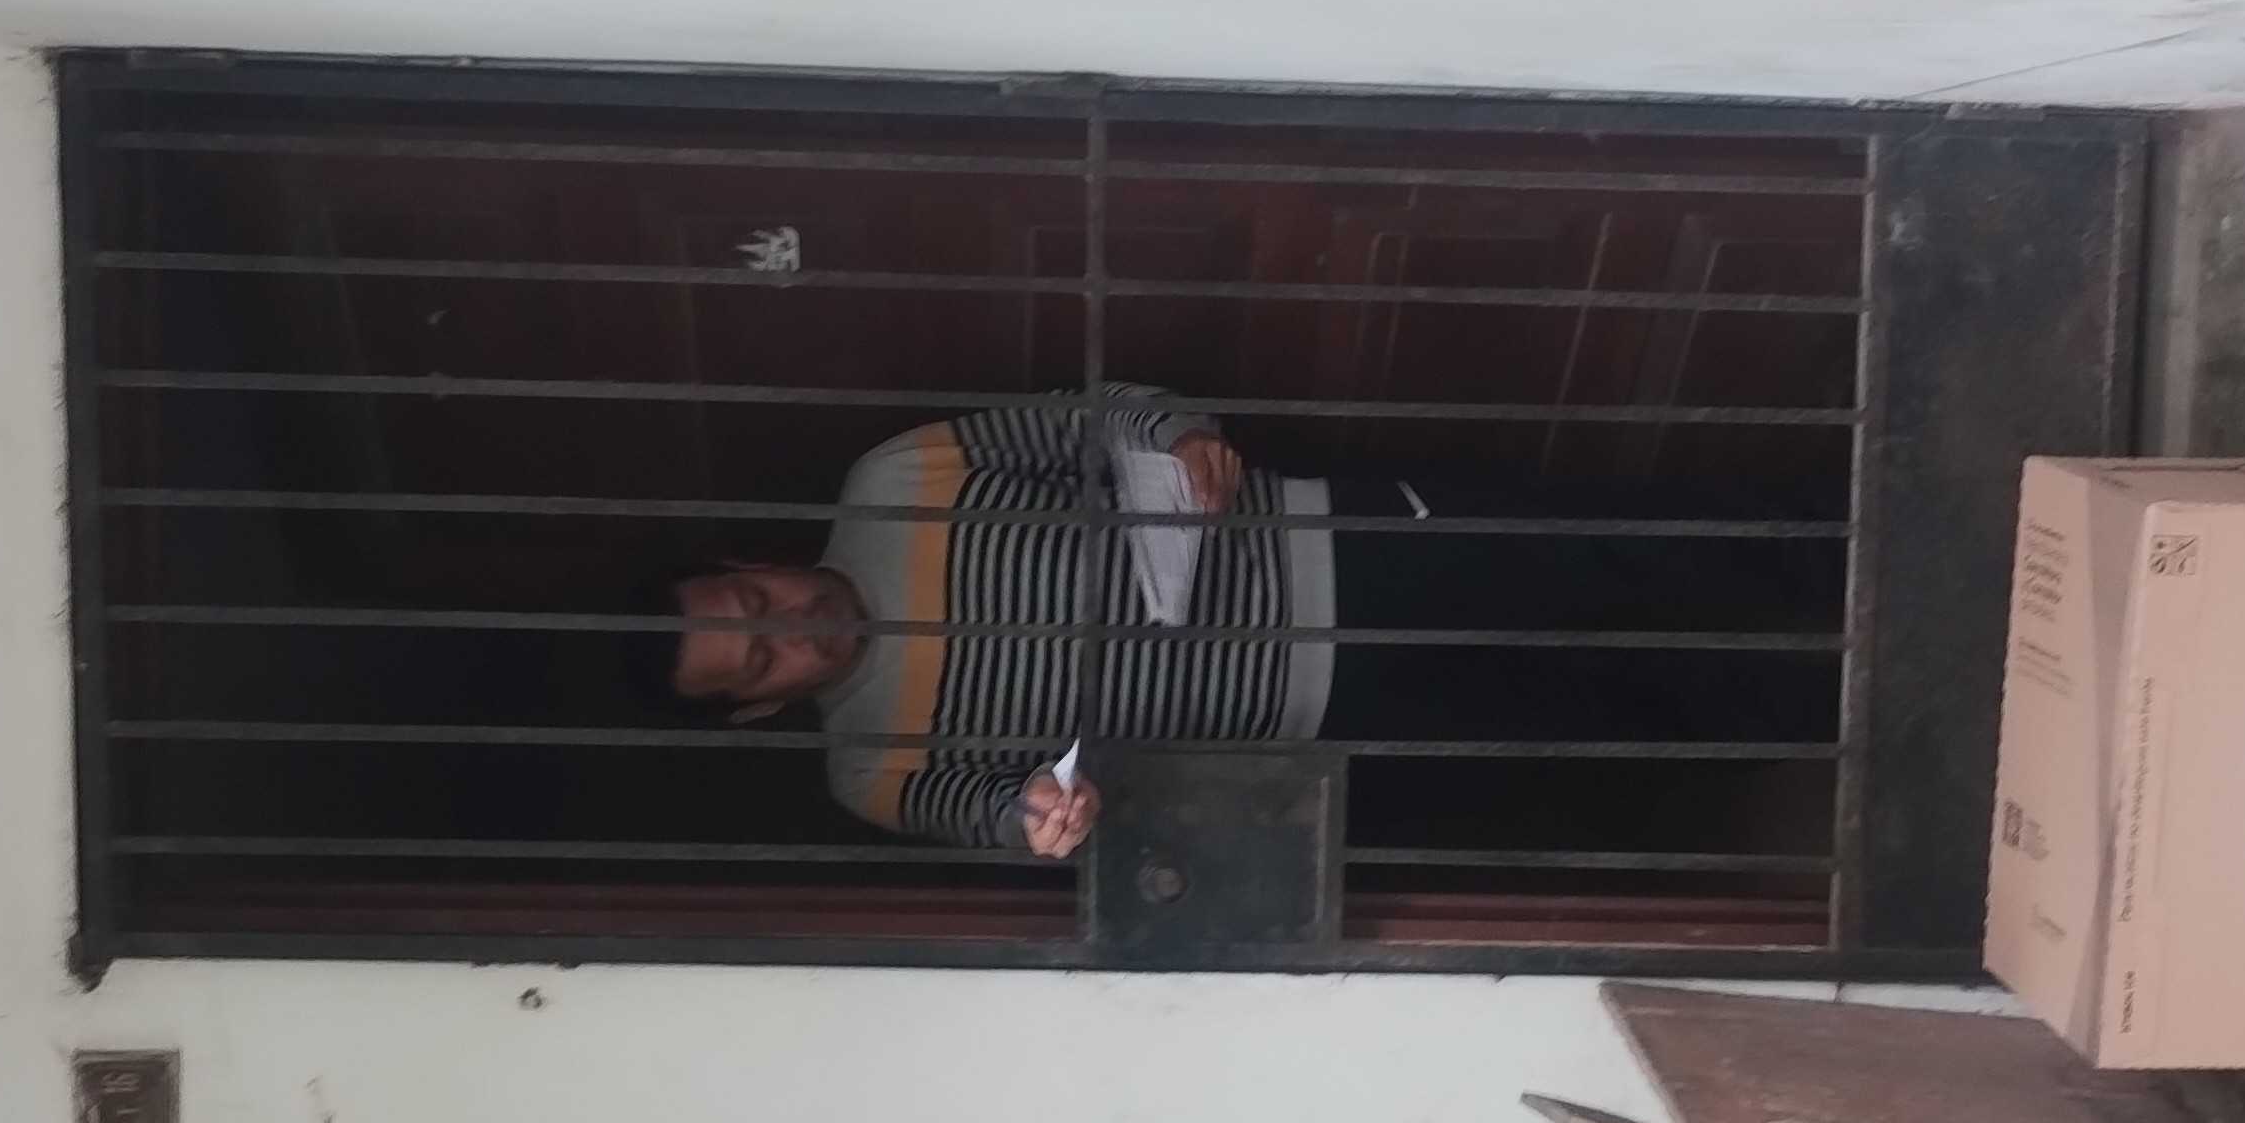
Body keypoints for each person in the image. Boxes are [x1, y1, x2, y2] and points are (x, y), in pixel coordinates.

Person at [650, 386, 1814, 858]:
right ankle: (1829, 707)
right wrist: (1044, 817)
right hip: (1323, 717)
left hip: (1343, 543)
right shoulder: (869, 771)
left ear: (754, 564)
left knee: (1626, 548)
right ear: (756, 706)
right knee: (1607, 717)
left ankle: (1837, 549)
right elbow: (1000, 815)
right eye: (761, 657)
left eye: (758, 604)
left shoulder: (891, 480)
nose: (792, 630)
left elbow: (1094, 419)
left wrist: (1176, 436)